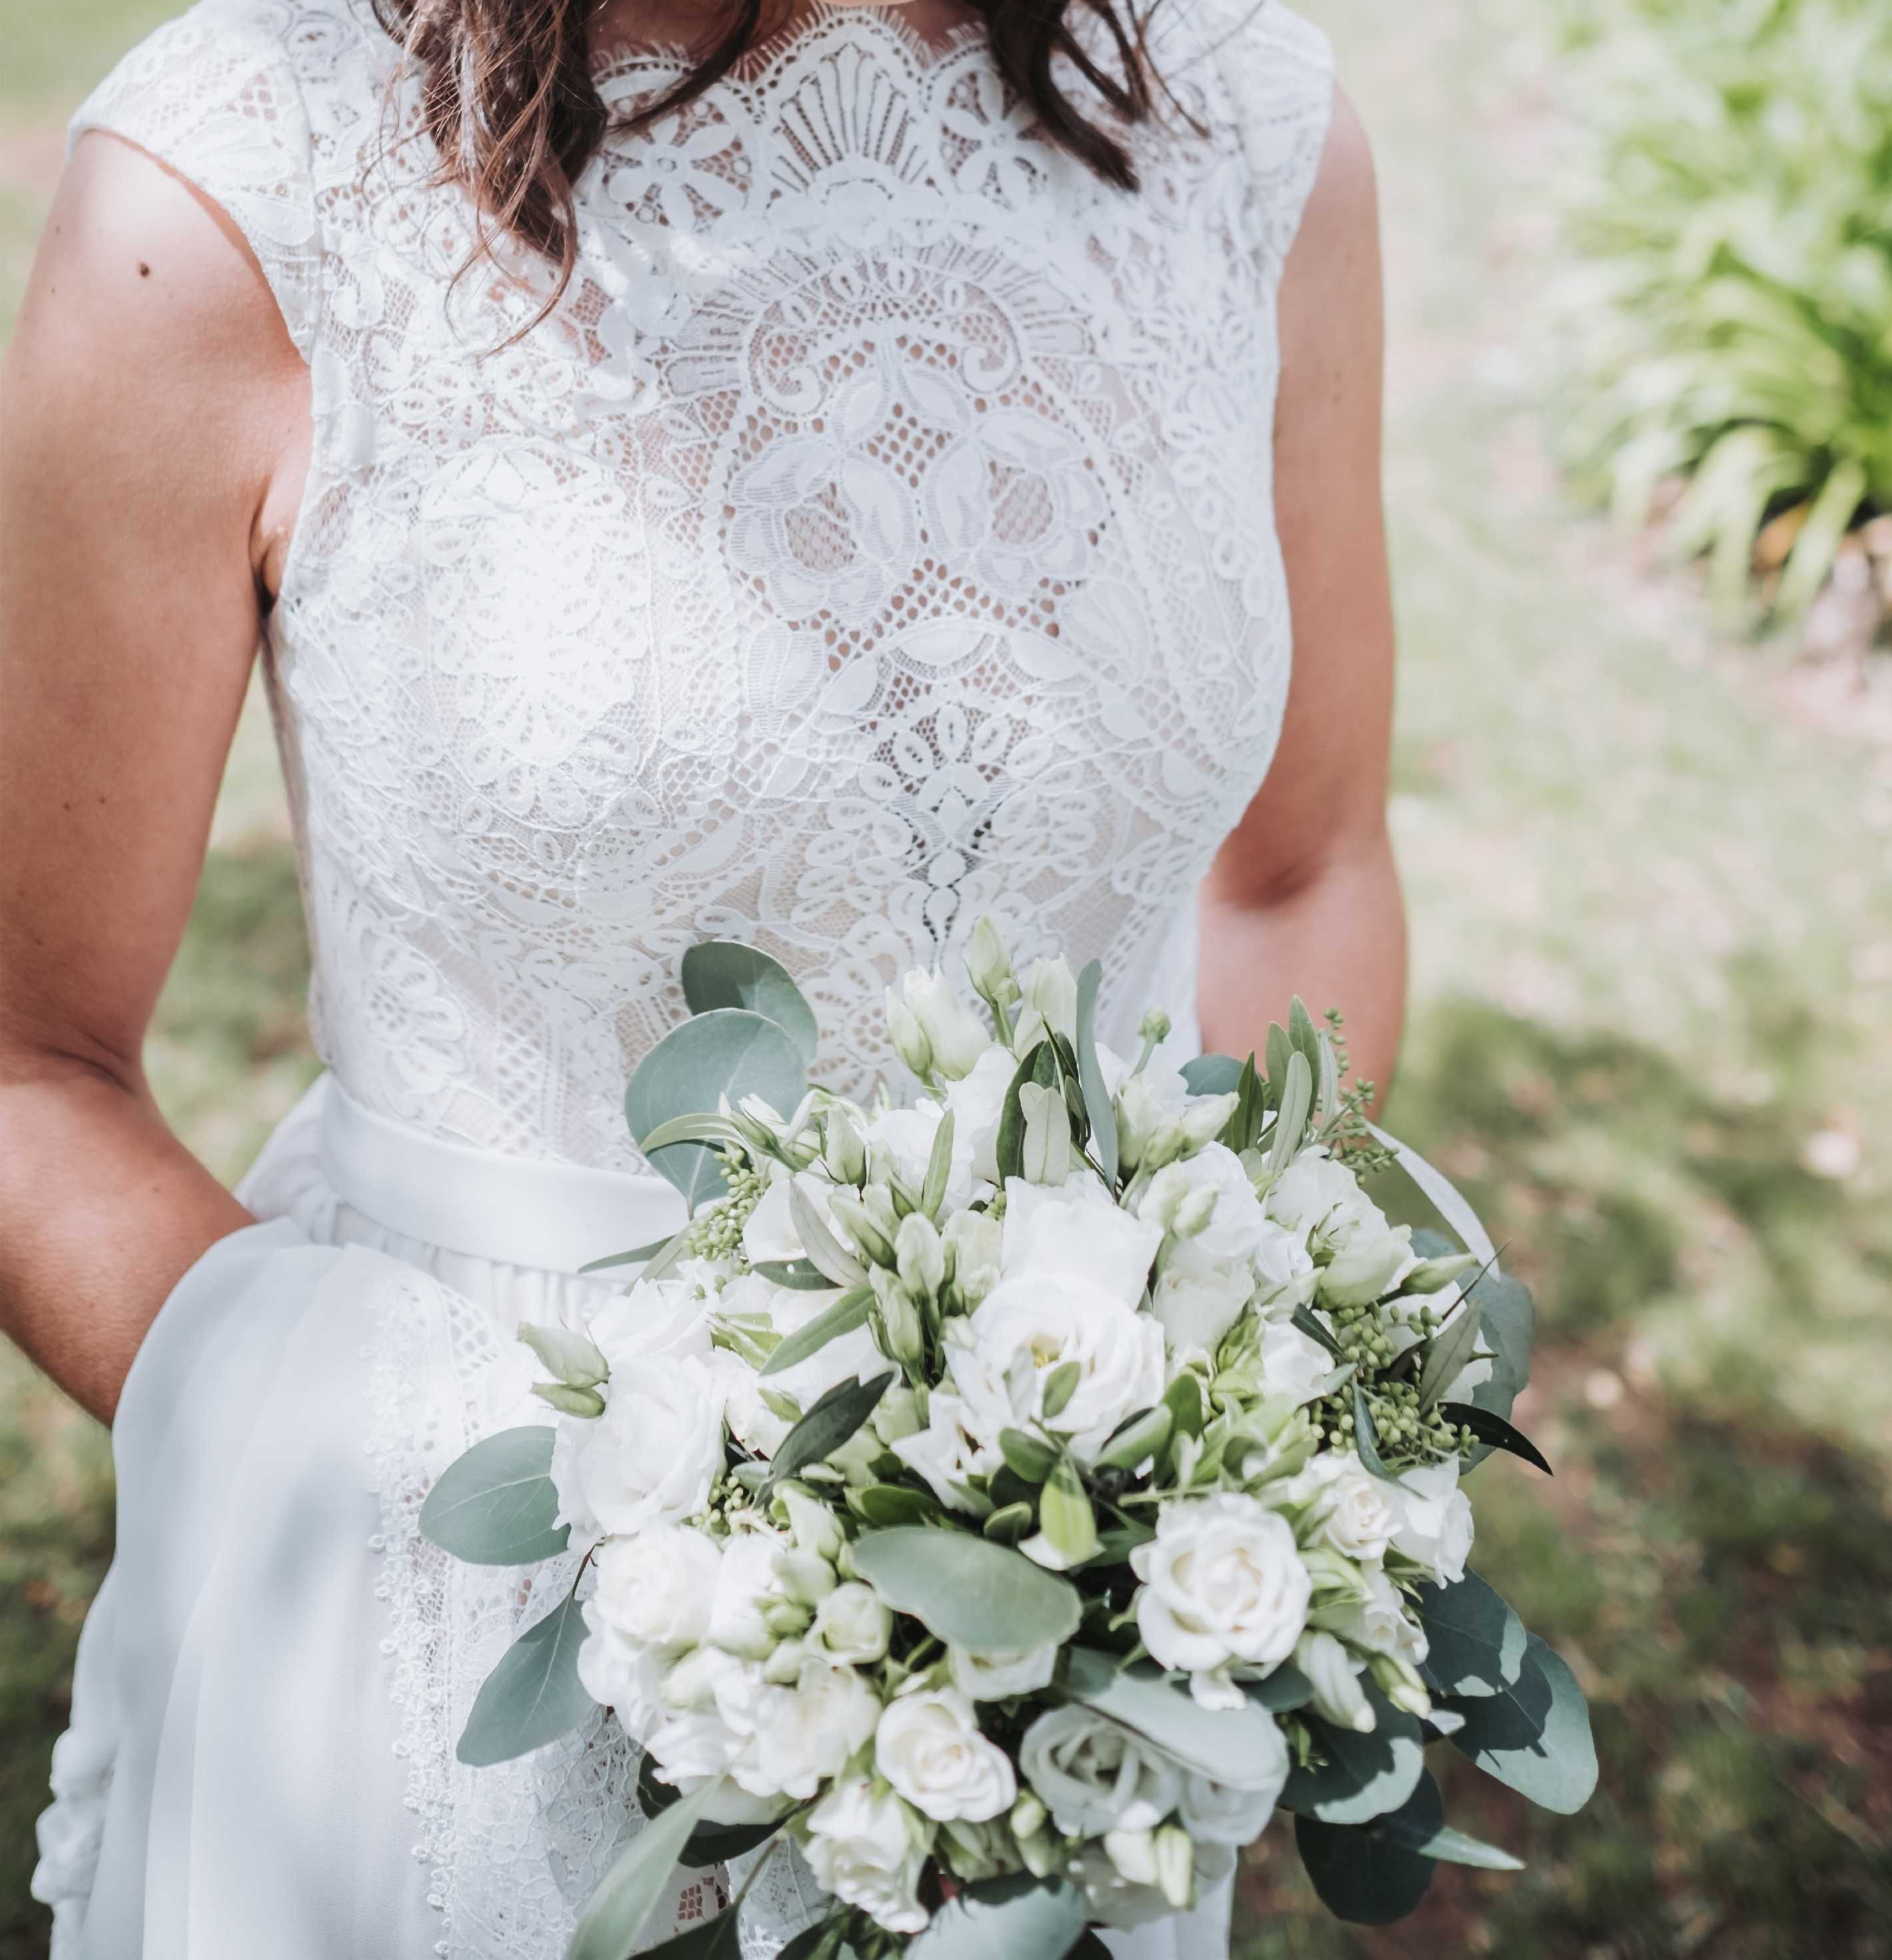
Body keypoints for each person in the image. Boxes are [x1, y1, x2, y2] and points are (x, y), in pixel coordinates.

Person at [0, 0, 1401, 1951]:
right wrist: (408, 1466)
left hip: (1061, 1657)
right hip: (439, 1674)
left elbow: (1303, 871)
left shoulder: (1247, 126)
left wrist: (1179, 1441)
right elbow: (26, 1062)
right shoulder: (239, 186)